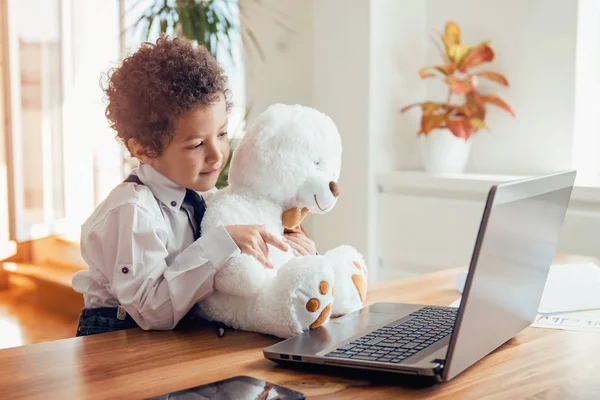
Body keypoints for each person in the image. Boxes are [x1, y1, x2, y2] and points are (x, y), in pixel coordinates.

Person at [71, 35, 316, 337]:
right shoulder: (133, 211)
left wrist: (284, 244)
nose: (216, 154)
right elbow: (153, 311)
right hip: (120, 340)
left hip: (179, 335)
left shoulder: (205, 197)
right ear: (144, 149)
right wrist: (221, 243)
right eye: (197, 144)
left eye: (223, 133)